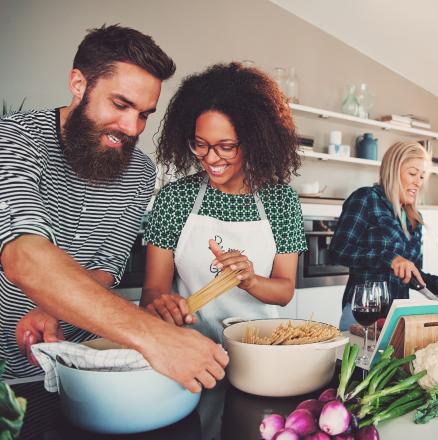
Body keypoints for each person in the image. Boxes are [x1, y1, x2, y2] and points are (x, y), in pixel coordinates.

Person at [0, 25, 228, 392]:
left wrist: (54, 306)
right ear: (78, 83)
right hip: (7, 372)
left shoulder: (139, 170)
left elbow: (105, 267)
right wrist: (155, 337)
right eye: (120, 105)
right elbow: (24, 256)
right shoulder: (13, 139)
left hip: (85, 363)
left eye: (144, 114)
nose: (130, 127)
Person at [140, 63, 306, 344]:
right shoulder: (175, 199)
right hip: (192, 345)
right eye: (200, 144)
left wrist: (250, 279)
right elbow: (153, 291)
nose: (211, 158)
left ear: (255, 141)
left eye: (226, 146)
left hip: (260, 346)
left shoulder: (281, 201)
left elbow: (285, 291)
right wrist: (164, 308)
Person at [330, 141, 438, 330]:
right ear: (393, 170)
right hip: (363, 314)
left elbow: (410, 273)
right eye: (412, 173)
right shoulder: (366, 199)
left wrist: (437, 284)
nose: (418, 182)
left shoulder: (415, 218)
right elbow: (338, 250)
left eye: (422, 176)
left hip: (398, 316)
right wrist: (389, 258)